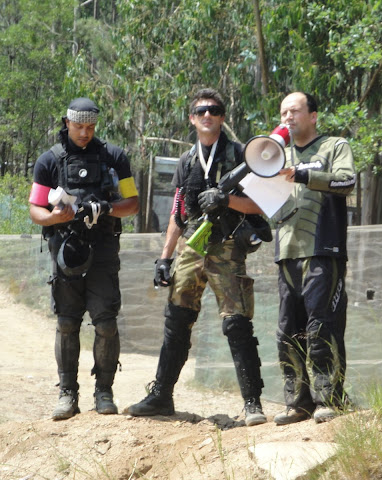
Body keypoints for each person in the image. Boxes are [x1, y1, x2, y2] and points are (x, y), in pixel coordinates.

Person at [127, 88, 270, 427]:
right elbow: (178, 211)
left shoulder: (240, 154)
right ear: (192, 119)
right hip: (191, 247)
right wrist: (164, 257)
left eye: (215, 110)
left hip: (228, 245)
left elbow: (262, 206)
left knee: (237, 323)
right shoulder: (188, 160)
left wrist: (226, 199)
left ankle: (252, 403)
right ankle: (161, 396)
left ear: (223, 117)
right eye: (202, 110)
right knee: (176, 320)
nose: (208, 115)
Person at [29, 97, 140, 420]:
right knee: (66, 323)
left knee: (105, 323)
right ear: (67, 123)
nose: (84, 133)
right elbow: (35, 209)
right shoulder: (49, 160)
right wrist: (55, 218)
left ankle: (104, 392)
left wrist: (105, 208)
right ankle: (67, 393)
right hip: (65, 249)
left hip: (104, 248)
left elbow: (132, 203)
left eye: (90, 127)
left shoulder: (114, 157)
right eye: (79, 126)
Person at [272, 92, 356, 425]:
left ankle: (330, 398)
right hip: (286, 251)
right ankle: (297, 401)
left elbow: (347, 181)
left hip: (324, 249)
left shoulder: (334, 146)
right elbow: (266, 202)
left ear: (313, 115)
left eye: (294, 111)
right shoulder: (274, 154)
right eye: (282, 113)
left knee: (322, 325)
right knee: (287, 330)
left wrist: (303, 174)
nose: (287, 117)